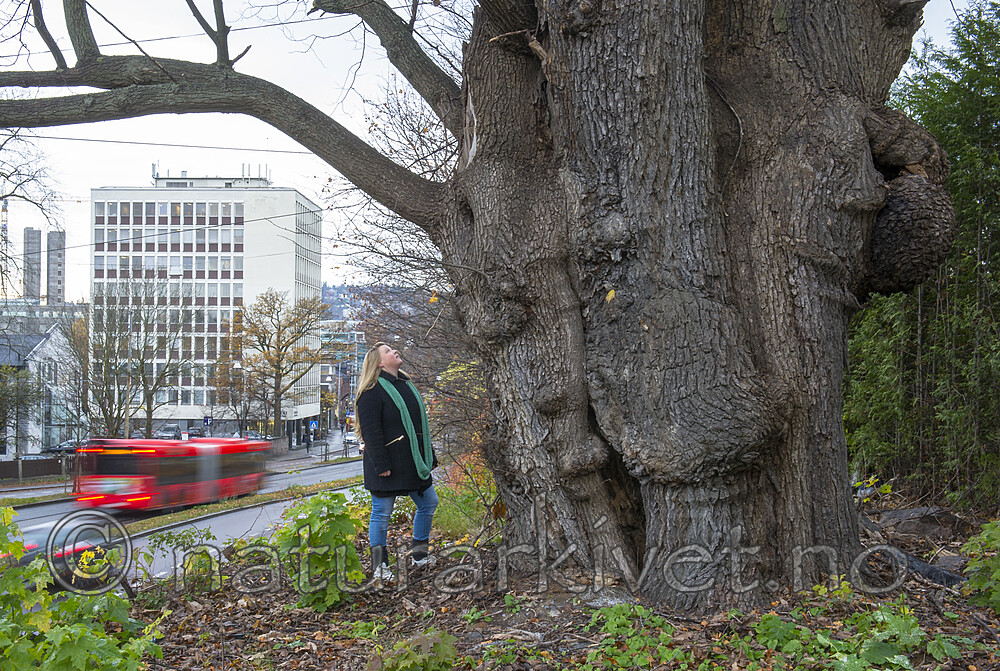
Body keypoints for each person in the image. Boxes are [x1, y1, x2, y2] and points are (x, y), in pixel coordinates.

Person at [355, 341, 439, 582]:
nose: (394, 351)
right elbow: (371, 433)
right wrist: (381, 466)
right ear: (380, 362)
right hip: (386, 464)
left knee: (429, 502)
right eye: (388, 351)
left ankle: (420, 555)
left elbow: (419, 427)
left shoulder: (406, 386)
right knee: (381, 513)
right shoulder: (370, 392)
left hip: (412, 462)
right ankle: (380, 566)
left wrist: (429, 456)